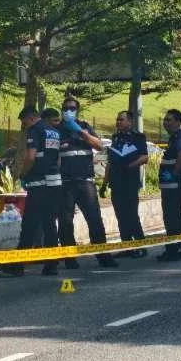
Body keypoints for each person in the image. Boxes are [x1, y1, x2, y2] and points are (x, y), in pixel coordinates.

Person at [57, 97, 114, 268]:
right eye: (66, 108)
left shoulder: (85, 127)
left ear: (77, 110)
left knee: (95, 219)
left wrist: (81, 131)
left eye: (72, 108)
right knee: (65, 221)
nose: (69, 111)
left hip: (85, 182)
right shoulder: (57, 129)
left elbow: (98, 146)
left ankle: (103, 256)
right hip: (65, 183)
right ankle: (70, 258)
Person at [8, 106, 63, 276]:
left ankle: (17, 266)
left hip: (38, 184)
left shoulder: (35, 130)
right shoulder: (54, 131)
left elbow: (31, 157)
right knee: (49, 224)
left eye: (23, 121)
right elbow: (58, 159)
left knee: (29, 224)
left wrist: (23, 173)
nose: (23, 125)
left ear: (30, 118)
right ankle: (51, 265)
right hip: (54, 183)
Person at [101, 111, 149, 258]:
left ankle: (141, 246)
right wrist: (104, 183)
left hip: (130, 182)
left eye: (121, 119)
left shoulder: (138, 137)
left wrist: (129, 166)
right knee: (120, 216)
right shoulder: (115, 138)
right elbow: (110, 162)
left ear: (130, 121)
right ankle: (127, 246)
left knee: (131, 215)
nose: (118, 122)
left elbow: (144, 157)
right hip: (116, 182)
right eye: (117, 120)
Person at [158, 109, 181, 261]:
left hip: (175, 186)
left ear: (178, 122)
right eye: (165, 119)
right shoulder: (174, 137)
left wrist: (174, 173)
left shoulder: (178, 137)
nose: (166, 122)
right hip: (173, 186)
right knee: (177, 217)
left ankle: (173, 251)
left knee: (172, 218)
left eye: (169, 120)